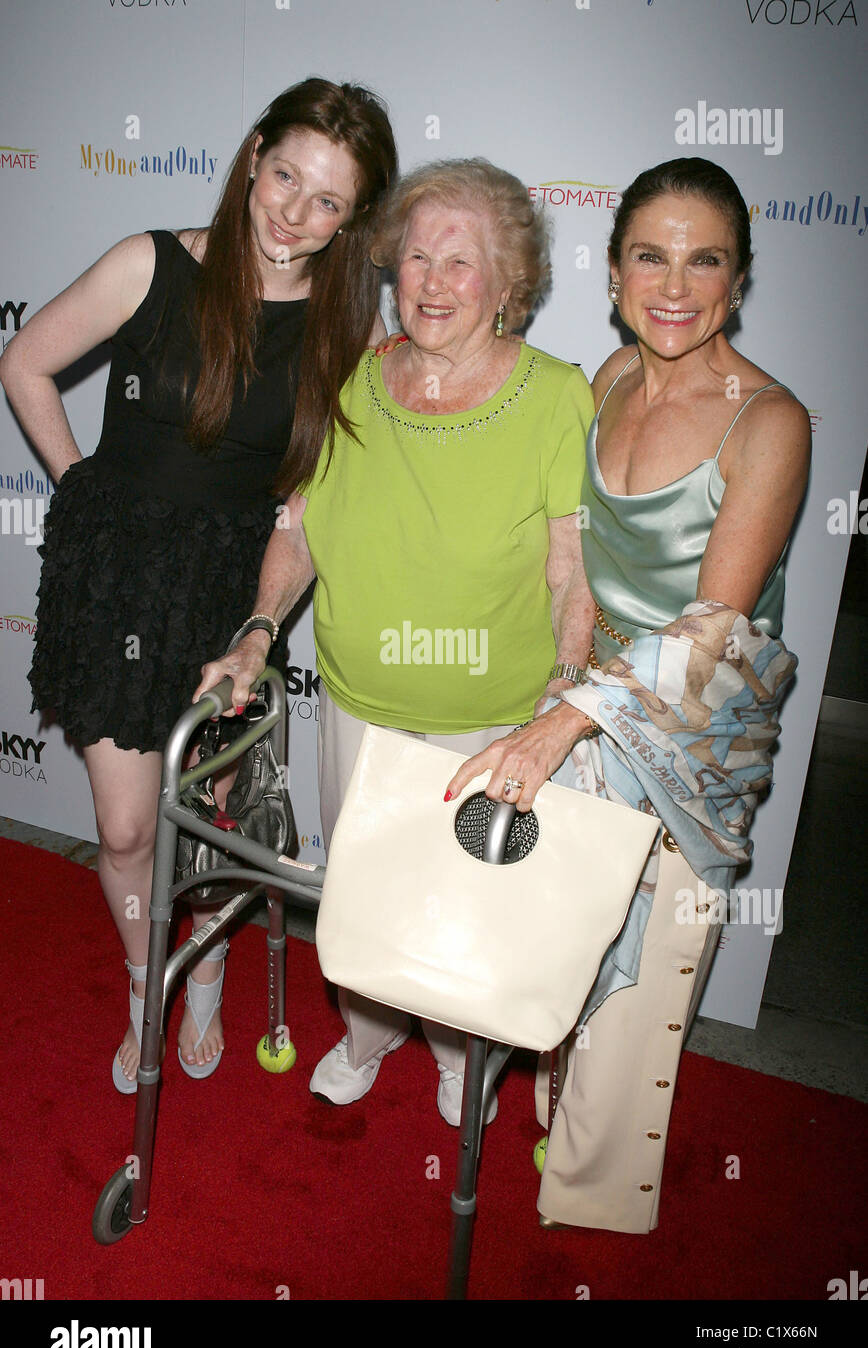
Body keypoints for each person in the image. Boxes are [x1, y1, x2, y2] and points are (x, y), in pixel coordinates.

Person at [0, 78, 397, 1092]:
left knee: (216, 824)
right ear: (254, 155)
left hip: (231, 598)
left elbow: (301, 510)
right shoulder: (153, 263)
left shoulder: (341, 332)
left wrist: (261, 626)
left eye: (326, 203)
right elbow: (26, 363)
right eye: (284, 178)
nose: (292, 214)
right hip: (116, 582)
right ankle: (148, 985)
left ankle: (209, 962)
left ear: (352, 223)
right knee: (128, 828)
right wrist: (83, 492)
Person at [445, 157, 811, 1230]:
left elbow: (709, 632)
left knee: (647, 972)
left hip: (687, 729)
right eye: (650, 254)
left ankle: (593, 1213)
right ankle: (551, 1105)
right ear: (612, 274)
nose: (676, 283)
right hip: (585, 703)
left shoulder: (769, 422)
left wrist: (564, 719)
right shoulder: (606, 374)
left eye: (706, 260)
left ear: (737, 281)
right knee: (564, 931)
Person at [196, 157, 596, 1125]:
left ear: (509, 287)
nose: (428, 279)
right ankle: (367, 1036)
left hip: (490, 723)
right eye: (414, 256)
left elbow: (569, 572)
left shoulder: (553, 397)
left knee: (469, 917)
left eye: (460, 262)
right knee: (367, 901)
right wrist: (258, 629)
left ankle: (464, 1059)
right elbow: (298, 530)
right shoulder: (353, 384)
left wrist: (565, 690)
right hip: (360, 712)